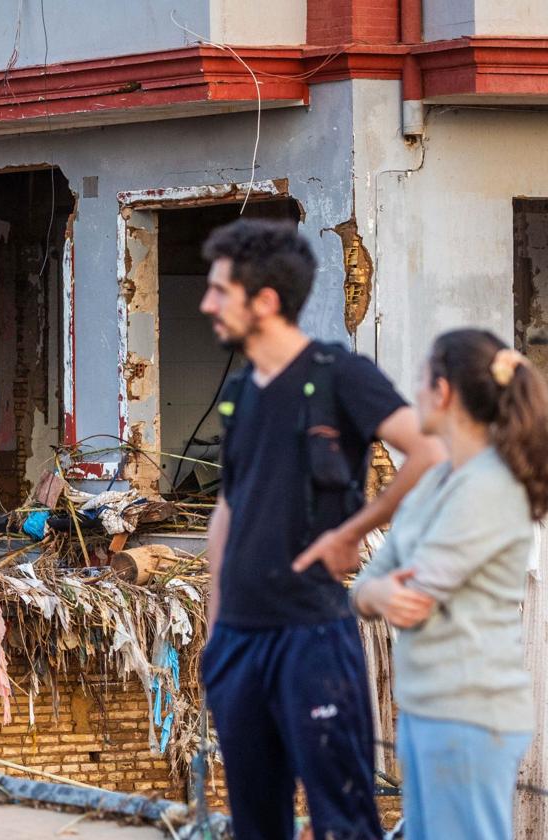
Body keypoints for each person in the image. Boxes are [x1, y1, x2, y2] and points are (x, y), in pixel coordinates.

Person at [196, 219, 444, 840]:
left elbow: (428, 453)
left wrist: (351, 531)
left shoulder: (339, 374)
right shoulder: (237, 395)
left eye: (220, 290)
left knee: (343, 822)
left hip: (312, 635)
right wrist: (216, 627)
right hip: (239, 642)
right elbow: (229, 508)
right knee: (256, 824)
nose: (207, 304)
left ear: (266, 302)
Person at [353, 329, 547, 840]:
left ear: (444, 392)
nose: (413, 392)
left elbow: (416, 595)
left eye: (420, 379)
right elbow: (370, 583)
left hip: (470, 711)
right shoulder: (438, 479)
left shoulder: (491, 486)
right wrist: (379, 590)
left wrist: (384, 590)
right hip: (427, 704)